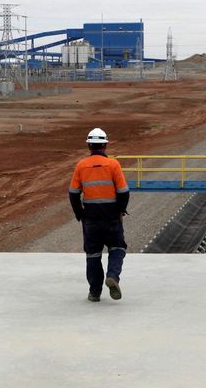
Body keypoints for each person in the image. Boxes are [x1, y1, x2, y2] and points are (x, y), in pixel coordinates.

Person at [69, 128, 130, 302]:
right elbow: (124, 192)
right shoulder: (113, 165)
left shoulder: (81, 165)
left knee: (93, 255)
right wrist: (120, 210)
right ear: (105, 145)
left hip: (91, 217)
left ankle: (95, 292)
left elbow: (73, 193)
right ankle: (112, 276)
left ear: (89, 145)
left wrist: (80, 214)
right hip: (111, 216)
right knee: (117, 248)